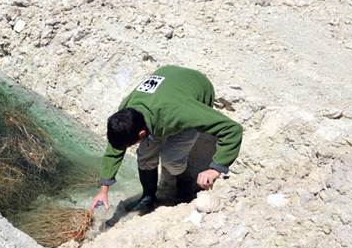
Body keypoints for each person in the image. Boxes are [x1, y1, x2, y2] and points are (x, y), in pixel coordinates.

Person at [89, 65, 242, 214]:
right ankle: (148, 197)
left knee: (172, 159)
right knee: (145, 157)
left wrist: (215, 169)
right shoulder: (125, 113)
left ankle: (184, 187)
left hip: (196, 88)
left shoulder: (180, 113)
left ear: (142, 134)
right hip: (168, 81)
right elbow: (115, 148)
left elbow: (232, 129)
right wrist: (104, 189)